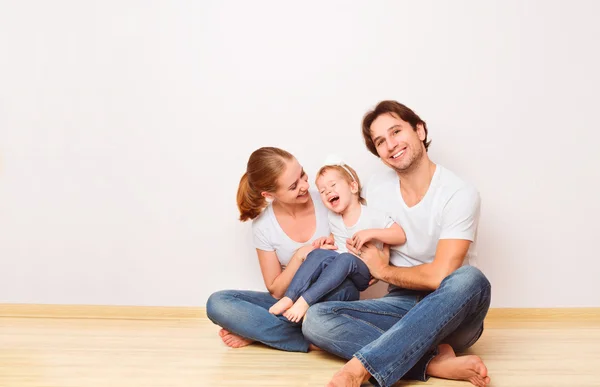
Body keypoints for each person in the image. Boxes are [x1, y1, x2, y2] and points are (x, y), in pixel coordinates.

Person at [302, 101, 492, 387]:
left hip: (452, 308)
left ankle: (359, 369)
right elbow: (344, 207)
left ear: (419, 130)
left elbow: (439, 276)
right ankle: (431, 363)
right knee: (315, 318)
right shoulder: (377, 189)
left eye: (396, 132)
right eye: (380, 141)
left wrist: (383, 271)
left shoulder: (459, 193)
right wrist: (329, 242)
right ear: (378, 153)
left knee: (470, 279)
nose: (390, 145)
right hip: (401, 302)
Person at [206, 147, 359, 352]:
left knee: (345, 290)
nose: (305, 185)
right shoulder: (264, 225)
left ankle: (262, 332)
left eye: (303, 175)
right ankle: (312, 339)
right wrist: (299, 256)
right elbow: (276, 290)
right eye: (294, 186)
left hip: (329, 295)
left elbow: (354, 244)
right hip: (289, 301)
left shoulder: (327, 199)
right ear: (269, 194)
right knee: (217, 303)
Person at [269, 157, 406, 323]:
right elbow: (339, 235)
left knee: (346, 258)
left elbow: (399, 235)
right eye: (322, 190)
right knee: (317, 253)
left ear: (353, 186)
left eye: (333, 185)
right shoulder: (334, 217)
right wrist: (328, 240)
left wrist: (372, 233)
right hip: (340, 266)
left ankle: (304, 301)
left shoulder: (371, 215)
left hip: (362, 271)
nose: (327, 192)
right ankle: (290, 297)